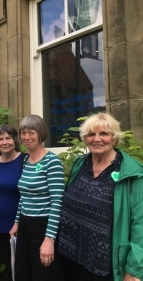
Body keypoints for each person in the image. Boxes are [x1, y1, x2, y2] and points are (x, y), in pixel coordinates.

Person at [57, 113, 143, 281]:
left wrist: (134, 269)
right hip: (71, 255)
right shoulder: (80, 164)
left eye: (103, 133)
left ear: (114, 138)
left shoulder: (132, 173)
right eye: (91, 134)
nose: (97, 139)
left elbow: (140, 225)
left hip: (104, 265)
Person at [14, 115, 65, 281]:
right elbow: (24, 196)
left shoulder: (52, 162)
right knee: (24, 272)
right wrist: (16, 222)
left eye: (31, 133)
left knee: (42, 274)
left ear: (41, 133)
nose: (26, 137)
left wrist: (49, 240)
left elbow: (57, 202)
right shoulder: (26, 161)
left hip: (43, 226)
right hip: (25, 224)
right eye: (23, 133)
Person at [0, 124, 26, 280]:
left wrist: (19, 221)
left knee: (22, 266)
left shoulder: (24, 160)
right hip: (0, 223)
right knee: (10, 265)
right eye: (0, 139)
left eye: (8, 138)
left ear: (15, 140)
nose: (4, 142)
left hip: (21, 223)